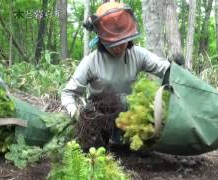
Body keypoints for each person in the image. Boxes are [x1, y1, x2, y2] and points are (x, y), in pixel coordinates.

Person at [61, 2, 170, 144]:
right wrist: (75, 113)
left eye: (123, 41)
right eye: (115, 43)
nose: (120, 47)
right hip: (101, 118)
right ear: (102, 40)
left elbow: (164, 68)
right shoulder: (91, 61)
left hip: (130, 118)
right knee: (96, 142)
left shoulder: (137, 55)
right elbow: (68, 93)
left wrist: (175, 69)